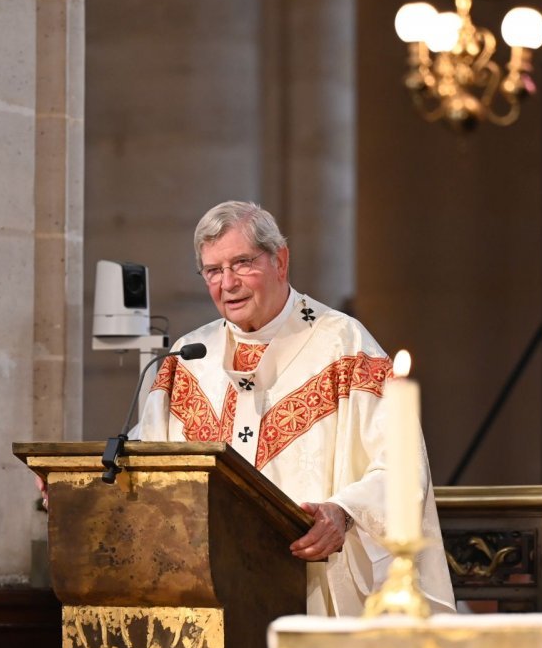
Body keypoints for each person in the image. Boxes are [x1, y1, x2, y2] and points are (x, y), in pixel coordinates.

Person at [137, 200, 455, 616]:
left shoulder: (345, 346)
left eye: (242, 263)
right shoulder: (189, 358)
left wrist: (343, 511)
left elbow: (403, 469)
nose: (227, 283)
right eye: (213, 271)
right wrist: (85, 485)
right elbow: (145, 462)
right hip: (208, 594)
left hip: (313, 586)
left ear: (280, 260)